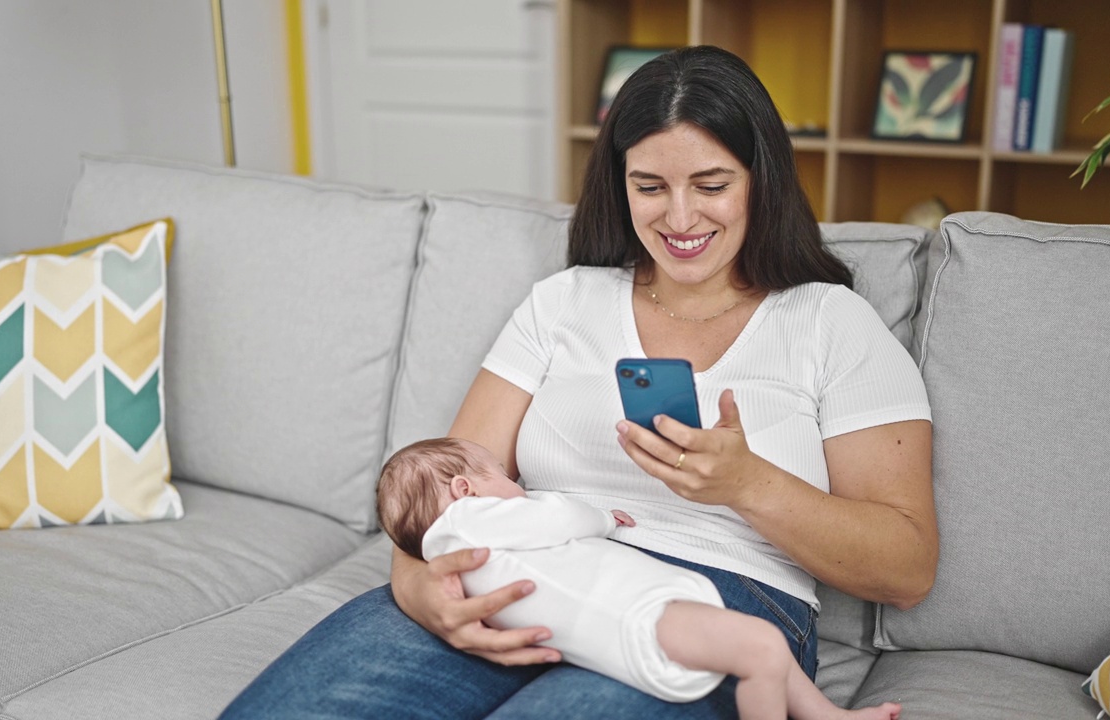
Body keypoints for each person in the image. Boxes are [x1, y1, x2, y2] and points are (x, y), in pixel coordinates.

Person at [221, 44, 936, 719]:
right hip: (521, 569)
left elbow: (906, 569)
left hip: (717, 599)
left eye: (711, 185)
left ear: (761, 181)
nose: (680, 217)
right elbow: (446, 480)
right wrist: (419, 585)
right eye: (649, 186)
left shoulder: (829, 322)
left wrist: (748, 484)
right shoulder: (564, 301)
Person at [376, 436, 902, 720]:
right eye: (500, 474)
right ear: (466, 490)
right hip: (636, 617)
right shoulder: (471, 522)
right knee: (761, 649)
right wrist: (603, 518)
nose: (513, 480)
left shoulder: (462, 557)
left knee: (758, 645)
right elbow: (557, 518)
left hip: (614, 621)